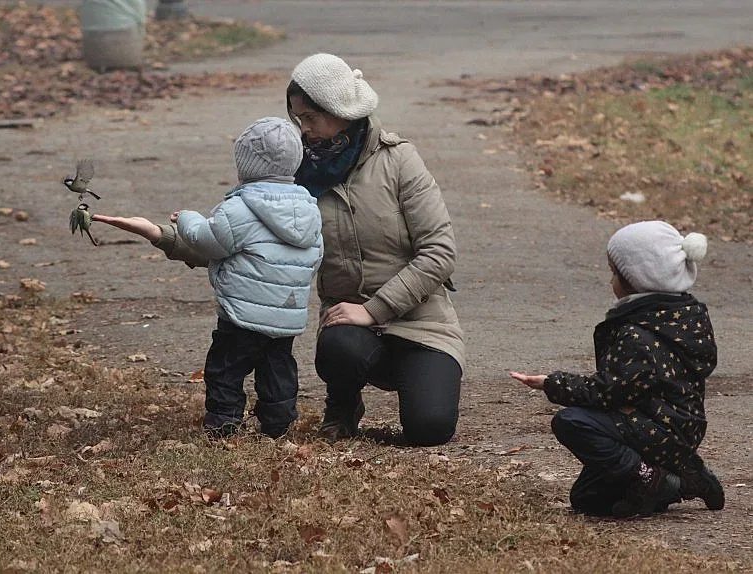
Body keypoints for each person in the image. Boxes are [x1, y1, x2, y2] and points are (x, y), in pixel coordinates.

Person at [93, 117, 323, 438]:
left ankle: (224, 422)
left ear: (246, 165)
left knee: (226, 367)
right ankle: (278, 423)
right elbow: (315, 256)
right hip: (286, 313)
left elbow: (207, 240)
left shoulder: (242, 208)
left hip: (242, 314)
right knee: (278, 366)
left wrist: (188, 218)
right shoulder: (308, 209)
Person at [286, 53, 464, 446]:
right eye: (297, 119)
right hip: (349, 328)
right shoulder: (295, 171)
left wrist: (373, 310)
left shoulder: (399, 159)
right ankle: (344, 402)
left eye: (310, 117)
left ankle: (420, 382)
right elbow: (248, 228)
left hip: (422, 325)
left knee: (430, 429)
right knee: (338, 345)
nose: (304, 130)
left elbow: (439, 251)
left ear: (340, 111)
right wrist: (175, 237)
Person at [510, 220, 725, 517]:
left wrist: (552, 383)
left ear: (637, 279)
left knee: (571, 422)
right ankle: (682, 480)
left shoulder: (638, 333)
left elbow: (608, 392)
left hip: (658, 428)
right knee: (588, 499)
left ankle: (653, 479)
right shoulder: (685, 315)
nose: (610, 280)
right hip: (675, 426)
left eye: (614, 273)